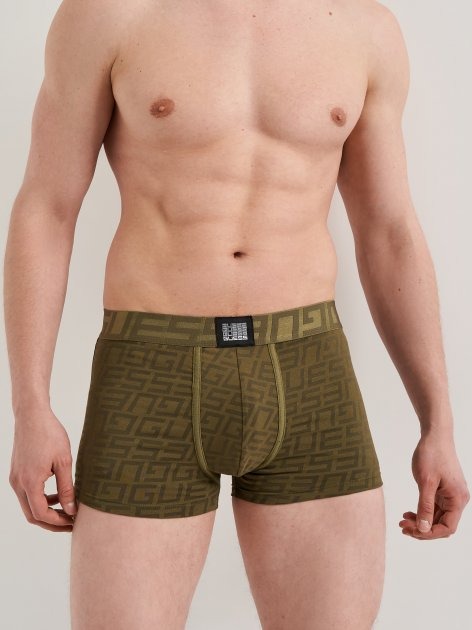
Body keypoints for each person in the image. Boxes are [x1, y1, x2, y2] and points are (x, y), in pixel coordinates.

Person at [4, 1, 469, 628]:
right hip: (151, 373)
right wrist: (30, 408)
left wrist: (438, 421)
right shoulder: (110, 13)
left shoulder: (364, 27)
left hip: (309, 372)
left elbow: (389, 232)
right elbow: (46, 209)